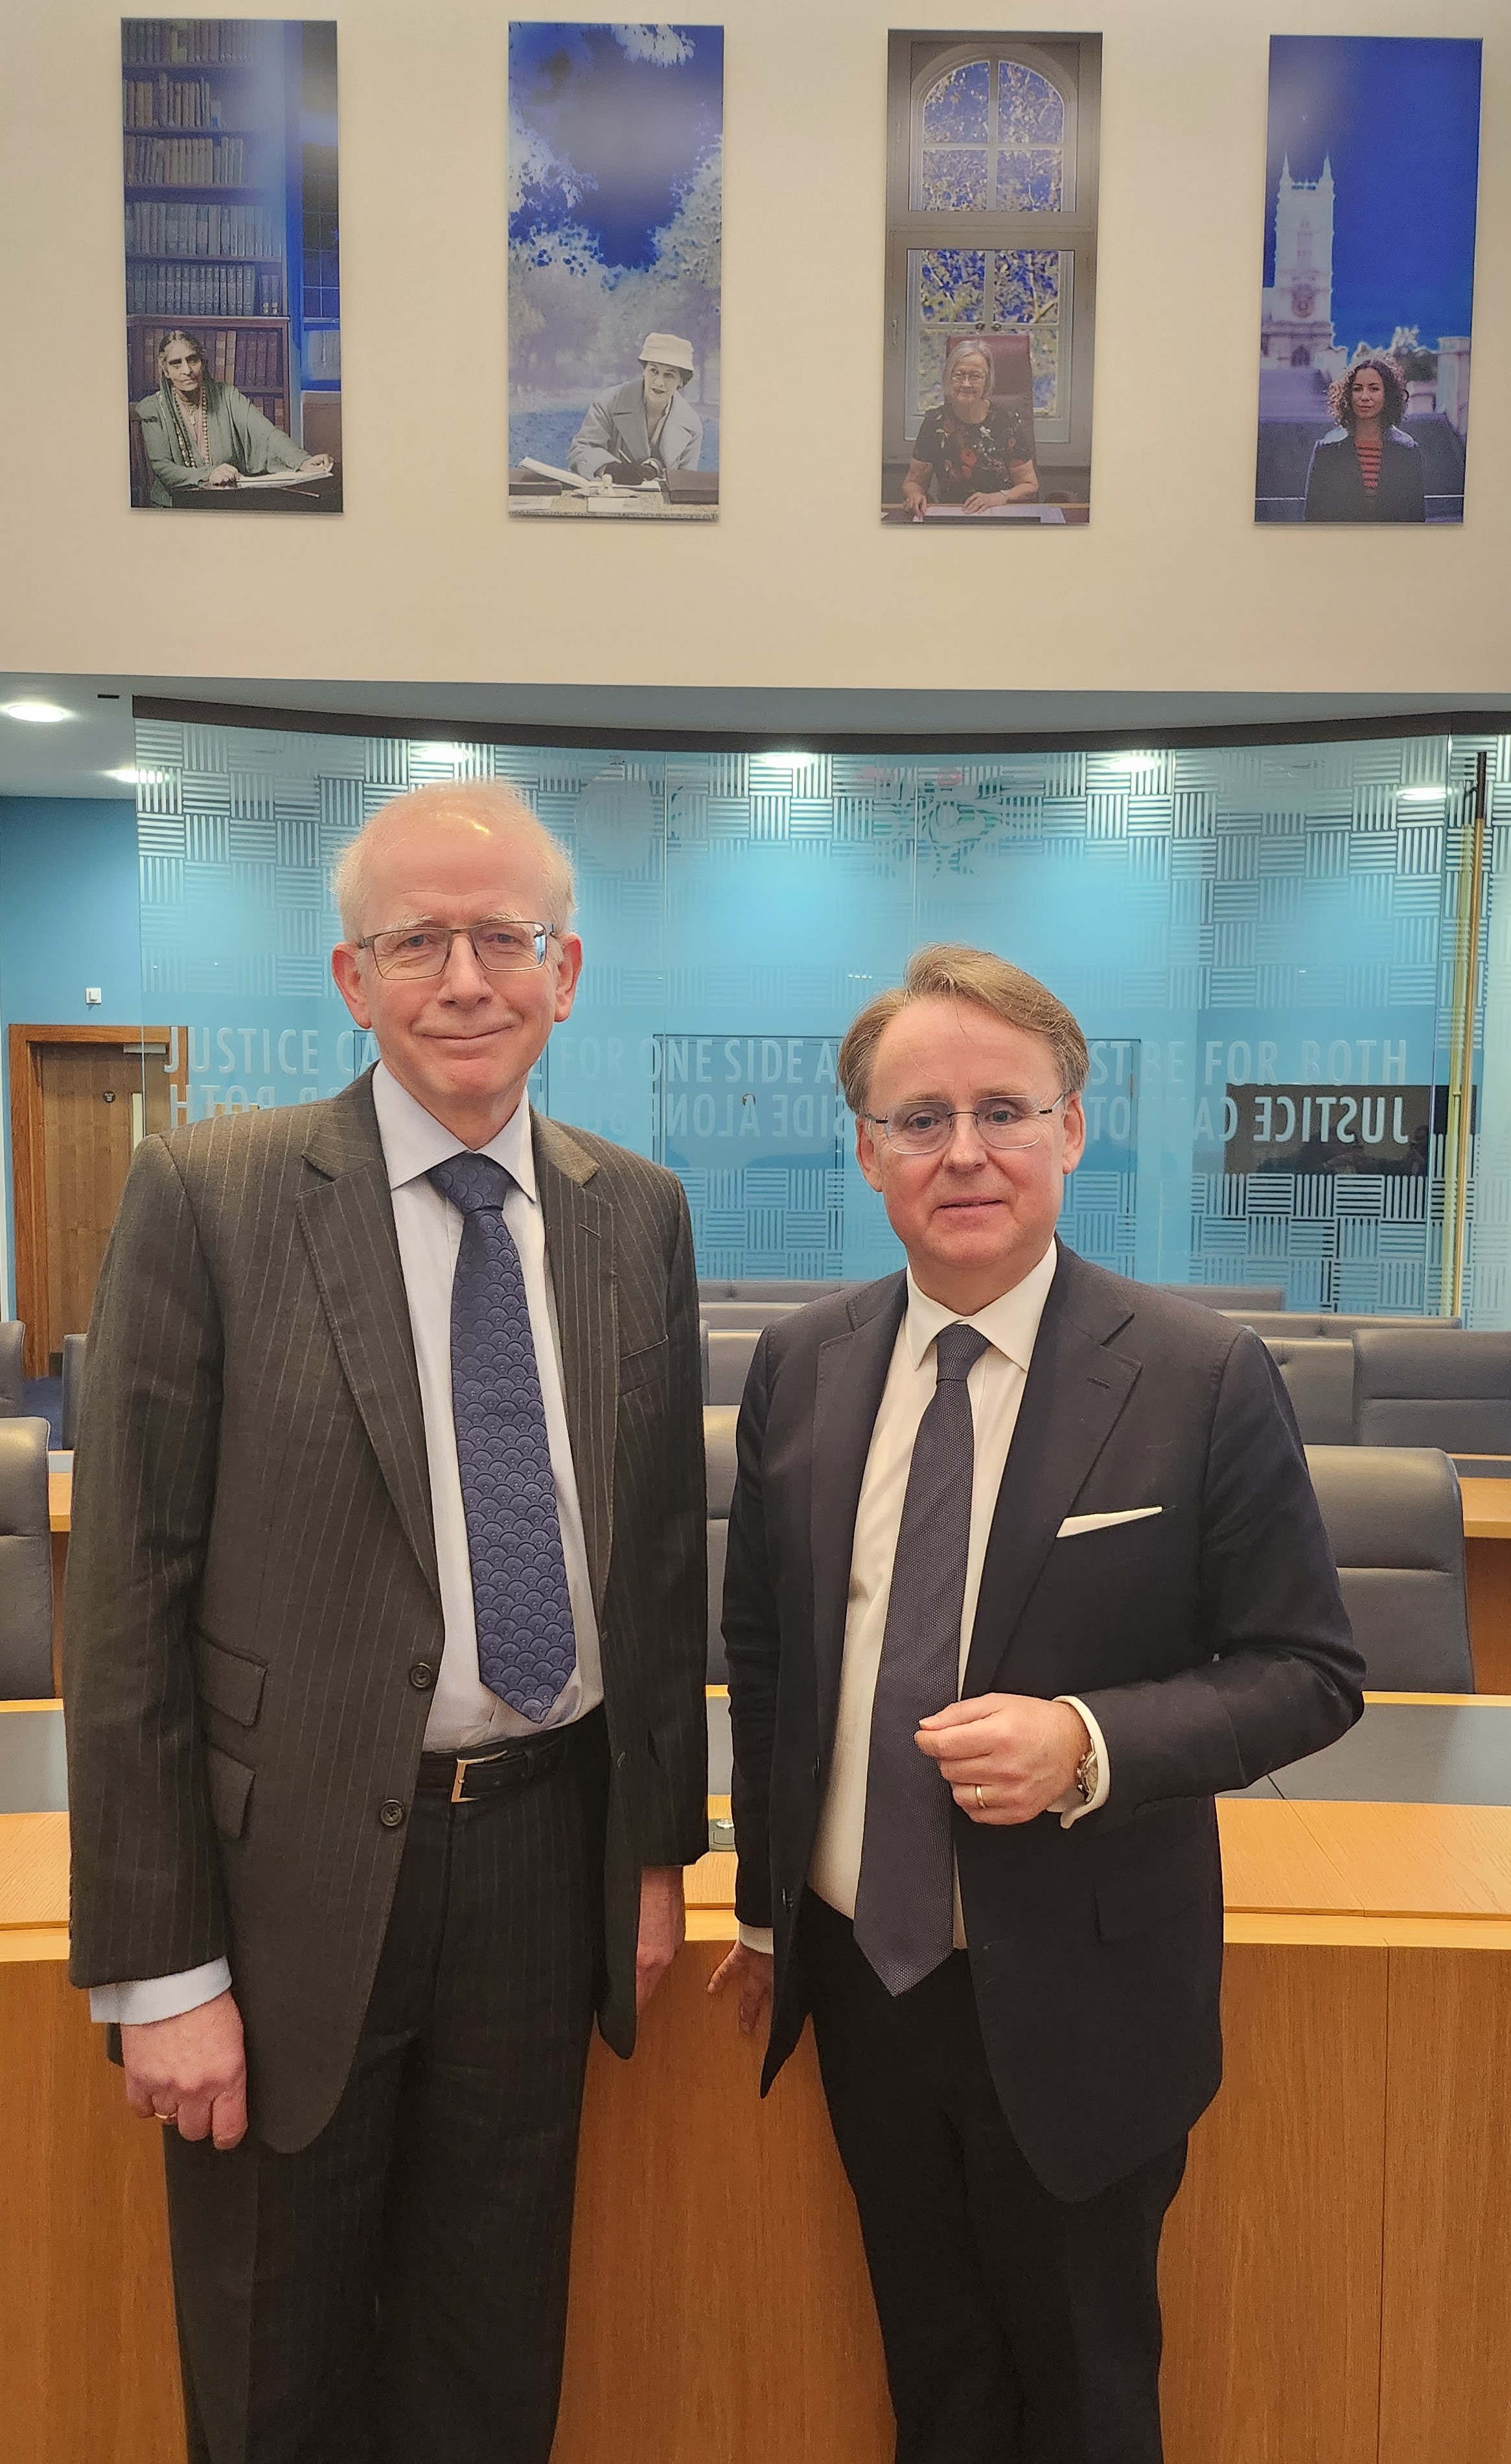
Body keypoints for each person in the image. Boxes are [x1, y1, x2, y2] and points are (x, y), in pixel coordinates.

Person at [63, 781, 708, 2463]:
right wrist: (159, 1963)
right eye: (414, 939)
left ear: (568, 969)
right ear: (351, 980)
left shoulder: (635, 1212)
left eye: (504, 938)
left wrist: (654, 1844)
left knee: (490, 2361)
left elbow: (649, 1567)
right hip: (279, 1897)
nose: (464, 976)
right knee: (275, 2370)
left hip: (540, 1856)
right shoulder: (211, 1197)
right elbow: (129, 1591)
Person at [711, 943, 1365, 2464]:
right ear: (865, 1149)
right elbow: (768, 1653)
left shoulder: (1198, 1376)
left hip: (1078, 1996)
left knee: (1080, 2398)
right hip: (866, 1992)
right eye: (918, 1118)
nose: (965, 1152)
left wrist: (1090, 1742)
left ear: (1074, 1127)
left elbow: (1308, 1669)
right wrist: (761, 1906)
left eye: (1004, 1109)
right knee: (932, 2386)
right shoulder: (803, 1368)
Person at [135, 328, 334, 505]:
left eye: (192, 359)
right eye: (176, 364)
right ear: (166, 371)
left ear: (202, 363)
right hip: (175, 509)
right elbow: (163, 468)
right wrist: (209, 473)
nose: (187, 370)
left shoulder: (227, 396)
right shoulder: (153, 409)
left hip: (226, 501)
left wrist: (302, 461)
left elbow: (267, 434)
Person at [903, 343, 1038, 517]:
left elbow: (1030, 485)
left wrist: (998, 497)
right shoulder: (934, 422)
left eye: (975, 376)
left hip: (998, 516)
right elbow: (913, 482)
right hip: (951, 518)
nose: (966, 384)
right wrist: (915, 495)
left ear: (987, 382)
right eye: (959, 375)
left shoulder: (1007, 422)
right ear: (948, 379)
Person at [568, 331, 703, 484]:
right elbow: (580, 450)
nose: (659, 382)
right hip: (609, 495)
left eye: (669, 375)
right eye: (654, 371)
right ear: (644, 371)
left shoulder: (692, 425)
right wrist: (610, 469)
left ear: (682, 381)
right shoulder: (609, 402)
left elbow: (685, 483)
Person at [1302, 355, 1425, 522]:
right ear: (1348, 394)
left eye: (1374, 389)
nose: (1364, 397)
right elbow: (1313, 519)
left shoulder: (1407, 450)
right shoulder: (1327, 450)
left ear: (1387, 395)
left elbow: (1416, 520)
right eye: (1358, 389)